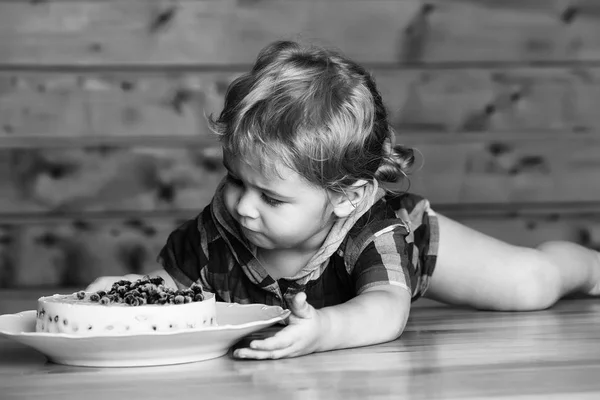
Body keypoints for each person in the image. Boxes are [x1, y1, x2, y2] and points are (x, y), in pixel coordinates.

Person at [87, 40, 600, 360]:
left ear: (343, 197)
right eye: (235, 180)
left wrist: (324, 330)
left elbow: (385, 312)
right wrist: (126, 293)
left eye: (270, 196)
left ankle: (591, 268)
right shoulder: (216, 228)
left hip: (409, 245)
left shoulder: (371, 227)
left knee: (527, 284)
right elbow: (173, 293)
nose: (242, 206)